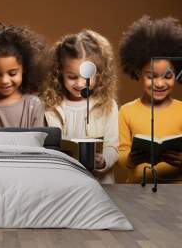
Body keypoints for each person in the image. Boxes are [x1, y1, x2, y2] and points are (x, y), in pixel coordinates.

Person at [43, 30, 118, 183]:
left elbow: (113, 147)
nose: (79, 83)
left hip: (99, 185)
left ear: (99, 75)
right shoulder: (50, 106)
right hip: (63, 183)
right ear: (60, 73)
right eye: (72, 77)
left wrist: (103, 161)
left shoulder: (107, 105)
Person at [118, 16, 182, 183]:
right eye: (151, 76)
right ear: (139, 73)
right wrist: (131, 159)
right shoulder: (126, 111)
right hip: (137, 191)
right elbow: (121, 154)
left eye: (168, 76)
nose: (160, 83)